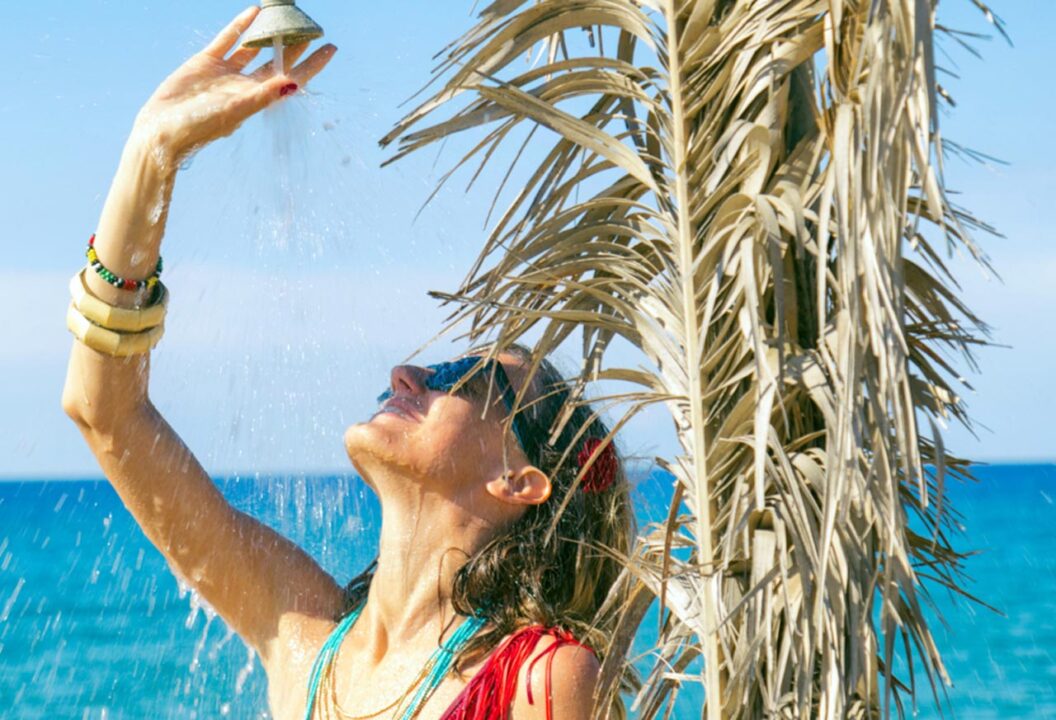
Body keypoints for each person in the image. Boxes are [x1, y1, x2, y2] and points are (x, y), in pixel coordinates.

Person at [61, 7, 634, 720]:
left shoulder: (540, 677)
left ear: (518, 480)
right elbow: (104, 412)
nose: (406, 375)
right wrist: (150, 155)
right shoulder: (301, 634)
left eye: (459, 377)